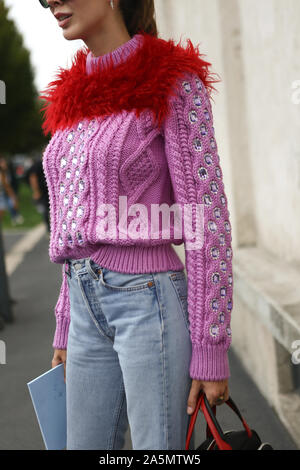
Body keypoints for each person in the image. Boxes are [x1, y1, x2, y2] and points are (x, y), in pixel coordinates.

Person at [38, 0, 233, 450]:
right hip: (85, 305)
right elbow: (77, 225)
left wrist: (211, 347)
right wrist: (66, 321)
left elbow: (208, 223)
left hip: (149, 303)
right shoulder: (71, 94)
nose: (51, 1)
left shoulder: (172, 80)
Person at [26, 153, 50, 233]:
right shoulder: (38, 164)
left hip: (49, 190)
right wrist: (36, 191)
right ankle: (48, 228)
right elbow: (33, 177)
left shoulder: (49, 162)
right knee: (45, 210)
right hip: (42, 190)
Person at [0, 157, 20, 224]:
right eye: (2, 163)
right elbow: (6, 185)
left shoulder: (6, 172)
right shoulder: (2, 173)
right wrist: (13, 196)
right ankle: (15, 216)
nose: (4, 164)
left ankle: (15, 216)